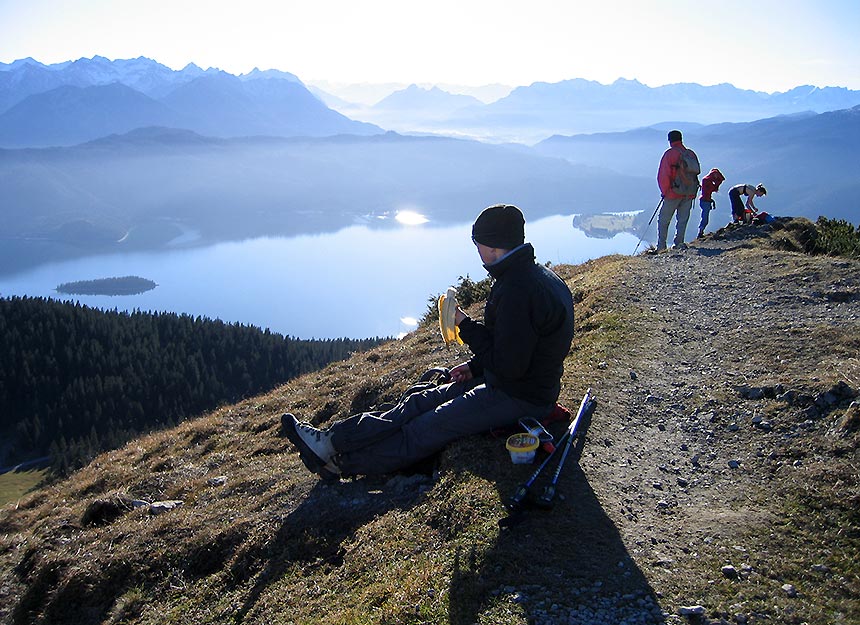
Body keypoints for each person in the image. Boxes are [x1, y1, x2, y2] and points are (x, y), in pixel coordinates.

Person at [282, 204, 575, 480]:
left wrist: (464, 325)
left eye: (478, 245)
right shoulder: (534, 276)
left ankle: (340, 464)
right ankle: (331, 441)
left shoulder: (518, 290)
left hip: (521, 396)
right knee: (417, 402)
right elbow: (515, 347)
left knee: (426, 427)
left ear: (494, 246)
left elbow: (511, 366)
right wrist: (474, 367)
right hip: (510, 382)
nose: (477, 252)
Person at [656, 130, 700, 251]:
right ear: (681, 139)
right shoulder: (690, 154)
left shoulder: (670, 154)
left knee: (664, 220)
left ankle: (661, 246)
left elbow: (663, 175)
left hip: (673, 192)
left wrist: (665, 192)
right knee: (682, 220)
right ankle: (678, 243)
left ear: (670, 140)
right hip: (689, 192)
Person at [697, 168, 725, 238]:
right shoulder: (707, 181)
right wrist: (717, 182)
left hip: (705, 201)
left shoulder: (707, 180)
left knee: (705, 217)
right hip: (705, 201)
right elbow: (714, 188)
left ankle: (701, 232)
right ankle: (700, 233)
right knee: (705, 218)